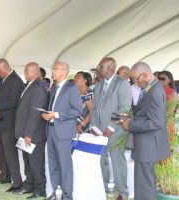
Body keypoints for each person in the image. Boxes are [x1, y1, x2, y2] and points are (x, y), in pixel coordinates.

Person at [120, 62, 170, 200]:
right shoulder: (152, 88)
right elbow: (147, 114)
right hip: (146, 143)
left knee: (144, 185)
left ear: (144, 74)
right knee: (145, 183)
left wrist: (131, 125)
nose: (135, 83)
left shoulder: (155, 91)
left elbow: (156, 122)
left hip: (148, 145)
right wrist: (131, 117)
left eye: (136, 79)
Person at [90, 57, 132, 200]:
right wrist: (94, 126)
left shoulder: (122, 84)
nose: (101, 69)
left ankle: (123, 193)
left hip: (116, 130)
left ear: (112, 68)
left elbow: (125, 109)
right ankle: (105, 187)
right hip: (99, 131)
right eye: (101, 66)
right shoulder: (99, 84)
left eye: (103, 66)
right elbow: (94, 108)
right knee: (101, 160)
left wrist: (111, 127)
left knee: (117, 161)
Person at [42, 61, 82, 200]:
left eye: (55, 69)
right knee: (53, 164)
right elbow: (53, 107)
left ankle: (67, 196)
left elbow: (77, 110)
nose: (52, 72)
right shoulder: (54, 87)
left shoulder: (71, 88)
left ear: (64, 71)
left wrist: (56, 115)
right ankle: (56, 193)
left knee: (65, 166)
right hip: (51, 129)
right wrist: (47, 114)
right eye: (52, 69)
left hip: (63, 132)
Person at [0, 58, 25, 192]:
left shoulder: (15, 80)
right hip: (0, 120)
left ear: (6, 67)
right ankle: (5, 176)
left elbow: (13, 102)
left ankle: (17, 182)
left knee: (10, 153)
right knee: (1, 152)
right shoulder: (3, 79)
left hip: (10, 123)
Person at [14, 62, 48, 199]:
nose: (25, 72)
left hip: (33, 134)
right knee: (27, 161)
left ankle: (40, 189)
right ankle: (28, 185)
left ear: (35, 72)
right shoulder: (29, 85)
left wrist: (29, 134)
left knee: (36, 163)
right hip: (25, 132)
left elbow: (35, 114)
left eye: (27, 70)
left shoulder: (39, 88)